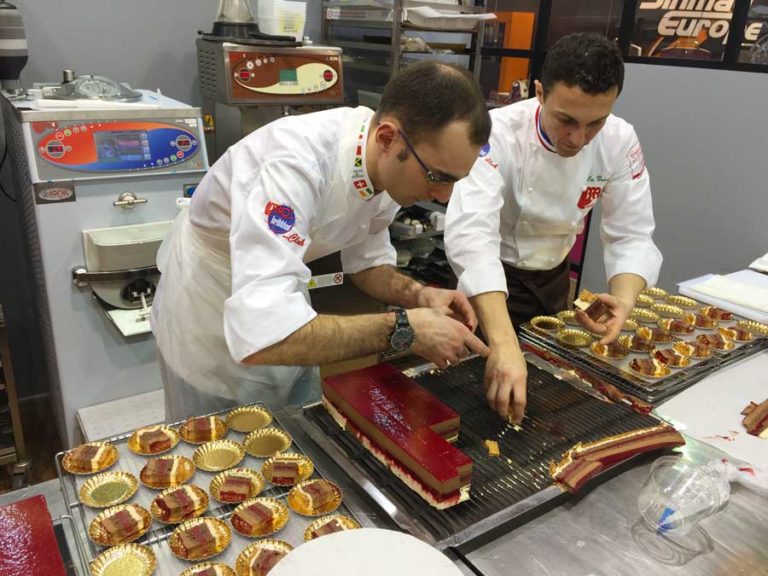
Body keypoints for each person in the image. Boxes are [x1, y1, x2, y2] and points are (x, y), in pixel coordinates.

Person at [151, 61, 492, 421]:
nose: (443, 195)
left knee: (300, 429)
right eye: (438, 176)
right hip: (211, 303)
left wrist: (421, 295)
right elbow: (263, 336)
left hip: (282, 297)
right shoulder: (295, 164)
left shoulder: (392, 166)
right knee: (224, 453)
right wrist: (406, 330)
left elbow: (367, 266)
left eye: (456, 180)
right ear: (388, 138)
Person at [445, 33, 663, 424]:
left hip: (552, 282)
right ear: (540, 92)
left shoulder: (619, 139)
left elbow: (631, 232)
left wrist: (625, 298)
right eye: (567, 120)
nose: (578, 138)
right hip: (489, 287)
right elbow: (472, 238)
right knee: (471, 402)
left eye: (595, 122)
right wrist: (503, 341)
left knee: (545, 399)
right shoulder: (495, 133)